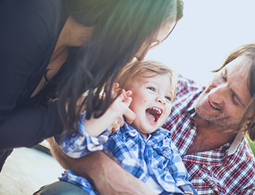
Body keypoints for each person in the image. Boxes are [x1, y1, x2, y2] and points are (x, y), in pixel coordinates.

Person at [41, 41, 255, 195]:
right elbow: (59, 122)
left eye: (235, 99)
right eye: (223, 76)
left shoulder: (243, 179)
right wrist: (106, 173)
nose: (214, 95)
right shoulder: (159, 88)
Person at [0, 0, 184, 171]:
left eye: (153, 44)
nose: (142, 54)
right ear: (123, 16)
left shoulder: (80, 58)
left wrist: (88, 108)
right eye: (145, 38)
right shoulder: (31, 14)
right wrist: (73, 108)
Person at [53, 59, 197, 195]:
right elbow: (72, 145)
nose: (161, 100)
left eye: (168, 98)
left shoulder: (166, 142)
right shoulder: (112, 124)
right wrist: (110, 112)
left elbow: (181, 180)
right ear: (121, 93)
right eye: (152, 88)